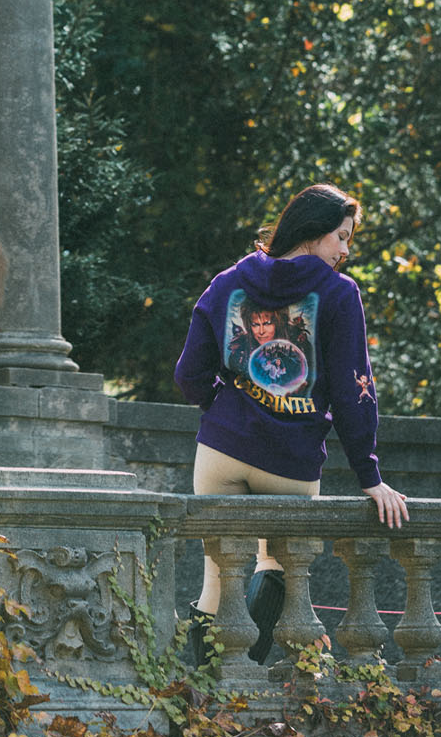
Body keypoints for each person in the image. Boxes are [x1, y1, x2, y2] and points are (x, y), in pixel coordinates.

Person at [173, 182, 408, 664]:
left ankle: (196, 705)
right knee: (277, 568)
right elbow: (352, 392)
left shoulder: (228, 282)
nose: (344, 251)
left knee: (217, 578)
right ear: (313, 232)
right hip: (290, 459)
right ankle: (236, 687)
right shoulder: (339, 295)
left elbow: (189, 375)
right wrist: (370, 475)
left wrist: (224, 405)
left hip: (222, 450)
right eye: (341, 237)